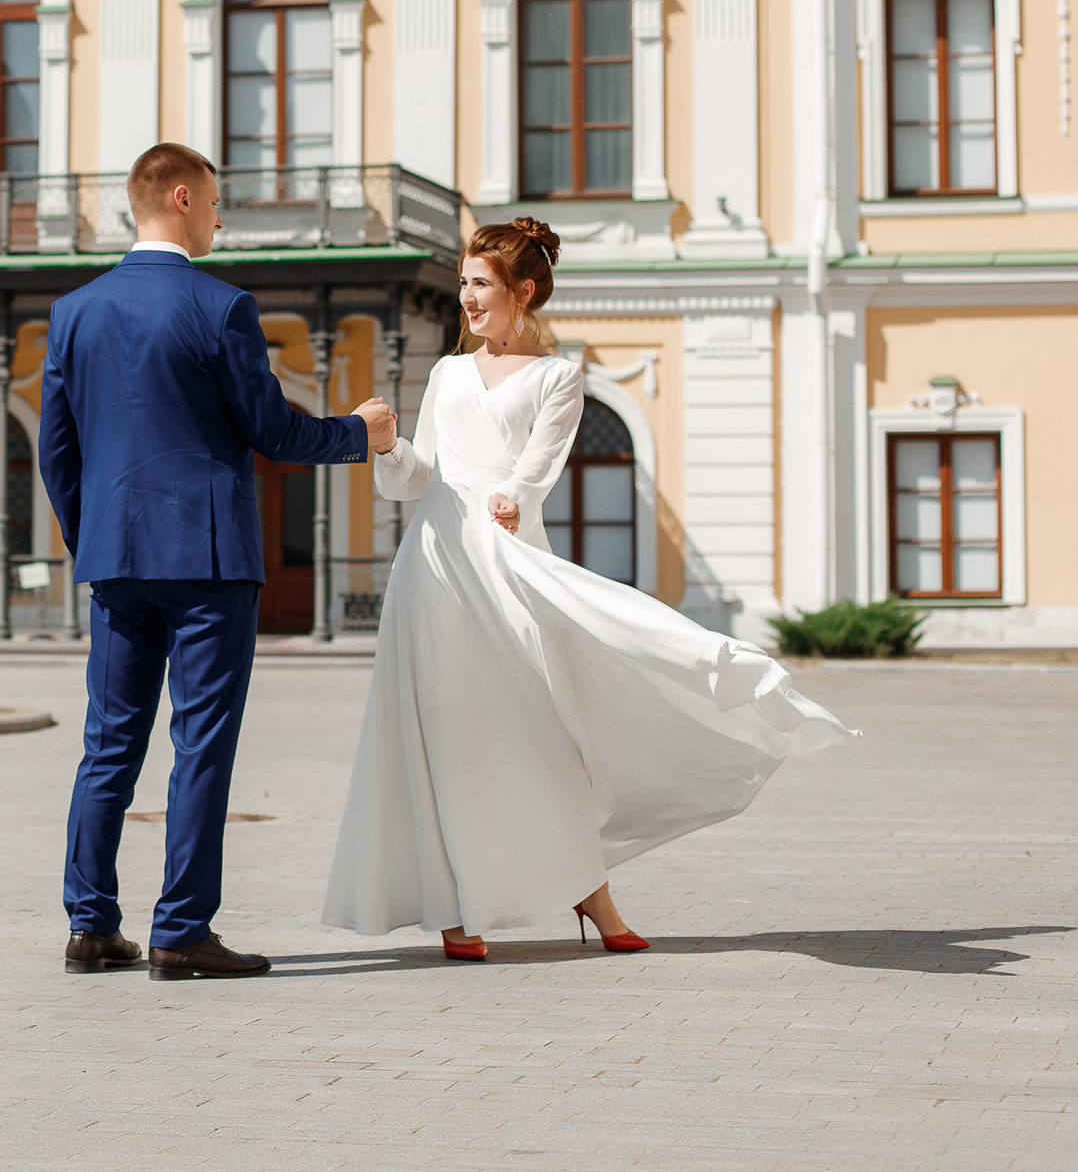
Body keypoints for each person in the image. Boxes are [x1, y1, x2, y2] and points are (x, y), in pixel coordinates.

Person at [323, 217, 854, 960]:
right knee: (441, 731)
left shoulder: (558, 377)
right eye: (464, 283)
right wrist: (386, 446)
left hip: (509, 565)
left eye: (481, 284)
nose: (467, 297)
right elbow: (418, 479)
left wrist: (511, 498)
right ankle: (456, 907)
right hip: (434, 568)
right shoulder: (446, 373)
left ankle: (588, 889)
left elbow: (536, 469)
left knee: (544, 736)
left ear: (523, 290)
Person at [42, 143, 396, 981]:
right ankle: (180, 930)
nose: (219, 216)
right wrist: (360, 431)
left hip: (117, 562)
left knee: (108, 744)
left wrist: (94, 542)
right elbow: (271, 430)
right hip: (208, 564)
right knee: (200, 743)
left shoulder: (73, 312)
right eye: (212, 201)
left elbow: (57, 452)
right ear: (180, 196)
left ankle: (90, 925)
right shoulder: (221, 305)